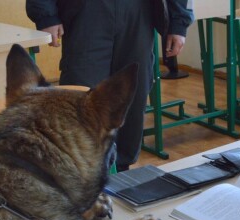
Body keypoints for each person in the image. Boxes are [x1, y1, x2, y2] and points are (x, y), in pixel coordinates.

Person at [26, 0, 194, 171]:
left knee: (132, 92)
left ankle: (121, 169)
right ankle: (82, 173)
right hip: (87, 13)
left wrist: (178, 22)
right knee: (81, 97)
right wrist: (46, 15)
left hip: (139, 12)